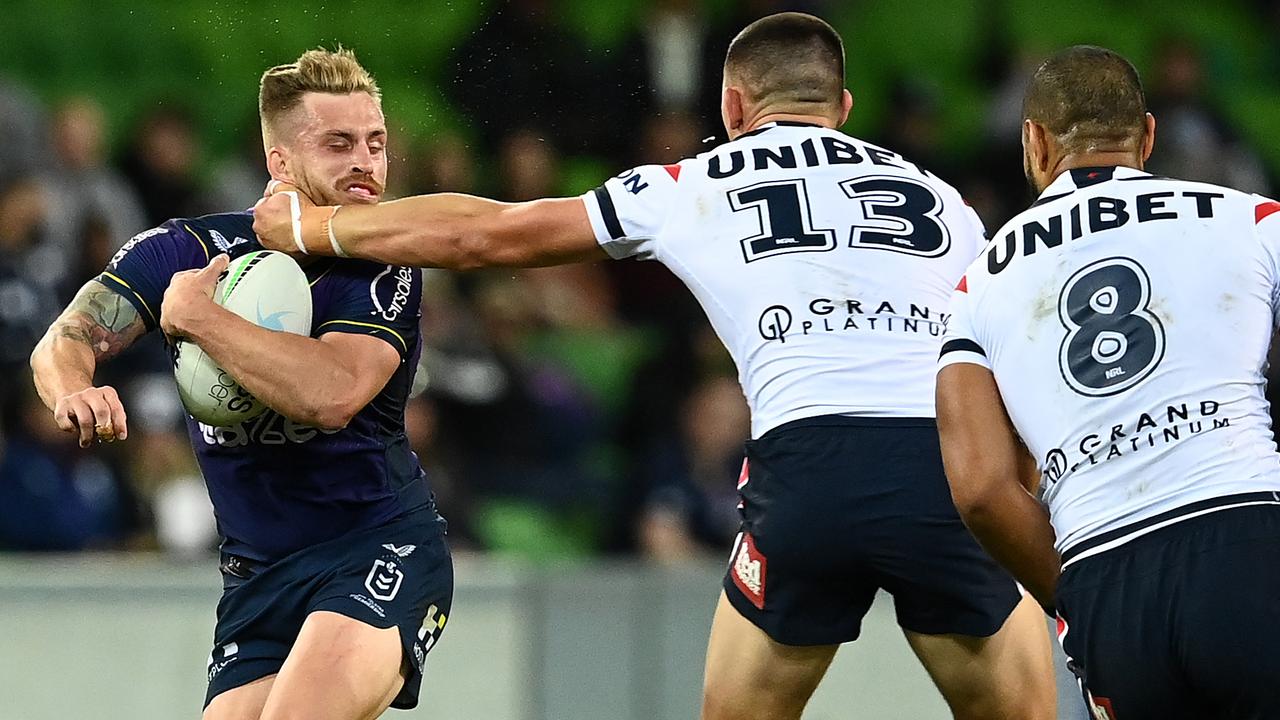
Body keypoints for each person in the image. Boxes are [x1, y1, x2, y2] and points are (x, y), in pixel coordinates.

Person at [254, 13, 1055, 720]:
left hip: (811, 471)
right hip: (943, 468)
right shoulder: (939, 196)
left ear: (732, 108)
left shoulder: (694, 182)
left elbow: (487, 236)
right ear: (844, 109)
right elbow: (999, 358)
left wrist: (319, 227)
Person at [30, 48, 452, 720]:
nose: (365, 163)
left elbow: (333, 394)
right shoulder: (185, 249)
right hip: (256, 579)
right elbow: (67, 335)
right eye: (339, 143)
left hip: (377, 549)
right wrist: (71, 388)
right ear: (279, 161)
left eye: (376, 143)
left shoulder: (380, 266)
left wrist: (199, 318)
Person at [936, 45, 1280, 719]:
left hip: (1105, 572)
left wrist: (1074, 598)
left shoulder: (977, 286)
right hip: (1245, 534)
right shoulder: (1252, 219)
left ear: (1033, 142)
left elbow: (979, 489)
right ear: (1147, 136)